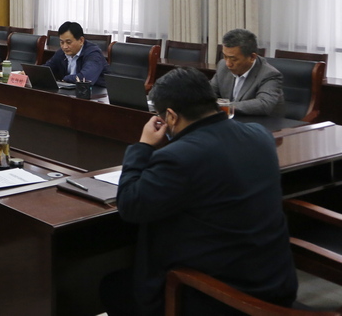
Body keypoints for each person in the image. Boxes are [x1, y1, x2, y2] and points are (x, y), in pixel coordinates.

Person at [100, 68, 296, 316]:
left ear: (171, 116)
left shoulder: (179, 157)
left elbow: (130, 205)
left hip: (222, 299)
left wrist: (143, 146)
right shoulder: (260, 135)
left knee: (113, 287)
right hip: (276, 284)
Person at [211, 28, 284, 117]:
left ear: (252, 57)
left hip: (261, 122)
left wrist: (225, 106)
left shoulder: (269, 74)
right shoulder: (223, 66)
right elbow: (210, 93)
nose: (228, 64)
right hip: (233, 120)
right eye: (225, 57)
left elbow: (264, 104)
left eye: (234, 59)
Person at [45, 21, 109, 87]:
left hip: (95, 91)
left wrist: (65, 79)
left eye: (68, 42)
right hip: (71, 90)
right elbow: (46, 69)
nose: (64, 46)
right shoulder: (61, 52)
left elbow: (86, 78)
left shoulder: (93, 54)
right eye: (62, 42)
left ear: (81, 40)